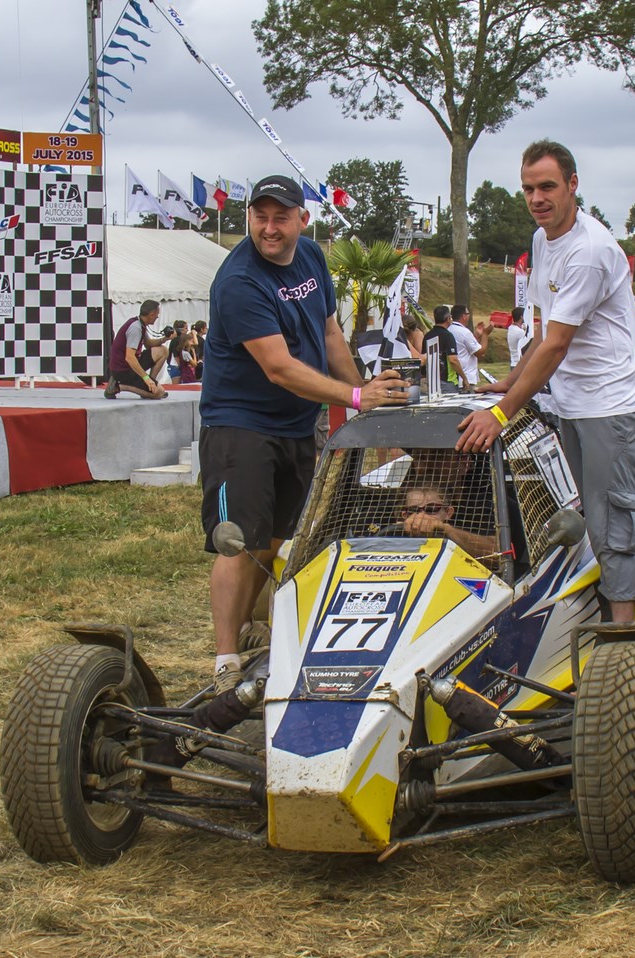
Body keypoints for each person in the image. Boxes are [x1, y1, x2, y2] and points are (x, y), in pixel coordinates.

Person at [456, 139, 635, 651]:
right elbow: (543, 330)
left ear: (572, 185)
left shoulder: (589, 251)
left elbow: (557, 344)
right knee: (613, 516)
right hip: (577, 405)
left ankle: (621, 640)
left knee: (610, 524)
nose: (537, 198)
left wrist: (501, 412)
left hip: (613, 408)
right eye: (528, 189)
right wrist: (512, 378)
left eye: (547, 186)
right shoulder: (543, 240)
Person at [199, 174, 409, 692]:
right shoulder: (239, 281)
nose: (269, 228)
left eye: (281, 218)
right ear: (249, 217)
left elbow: (330, 332)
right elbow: (279, 368)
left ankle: (252, 629)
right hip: (240, 426)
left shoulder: (312, 257)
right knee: (238, 543)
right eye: (260, 217)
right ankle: (225, 662)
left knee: (274, 541)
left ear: (302, 220)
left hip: (296, 425)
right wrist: (355, 398)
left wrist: (362, 396)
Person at [400, 484, 498, 559]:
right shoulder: (394, 539)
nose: (422, 516)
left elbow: (496, 553)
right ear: (405, 515)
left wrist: (446, 531)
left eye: (431, 509)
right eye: (414, 510)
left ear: (448, 512)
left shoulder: (459, 537)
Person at [105, 300, 169, 400]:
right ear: (152, 314)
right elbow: (129, 357)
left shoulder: (139, 323)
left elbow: (148, 344)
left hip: (128, 364)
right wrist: (146, 378)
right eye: (157, 314)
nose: (157, 317)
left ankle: (150, 385)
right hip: (123, 370)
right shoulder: (136, 328)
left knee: (163, 350)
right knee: (159, 393)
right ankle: (119, 386)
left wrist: (165, 339)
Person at [421, 305, 464, 391]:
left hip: (430, 380)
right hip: (447, 381)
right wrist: (464, 378)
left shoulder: (428, 335)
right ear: (448, 319)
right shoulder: (448, 336)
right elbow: (453, 360)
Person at [449, 304, 489, 389]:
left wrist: (477, 336)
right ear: (464, 316)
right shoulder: (465, 332)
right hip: (466, 377)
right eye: (468, 314)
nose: (469, 316)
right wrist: (485, 334)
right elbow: (480, 353)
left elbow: (470, 348)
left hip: (454, 377)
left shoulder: (449, 329)